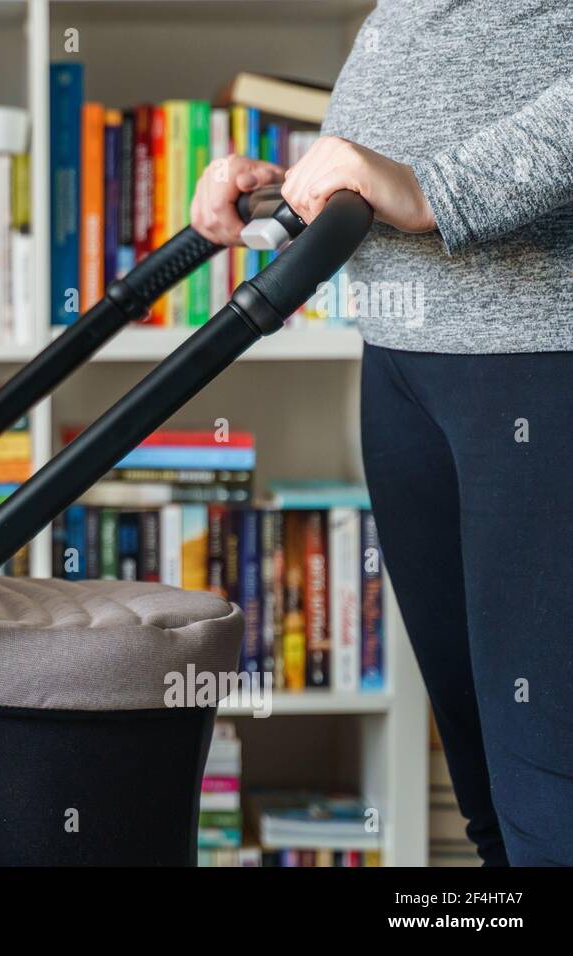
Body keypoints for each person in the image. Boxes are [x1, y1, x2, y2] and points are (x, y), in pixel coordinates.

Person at [191, 0, 573, 866]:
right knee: (486, 799)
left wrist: (437, 191)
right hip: (402, 357)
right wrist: (297, 184)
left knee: (548, 801)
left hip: (540, 356)